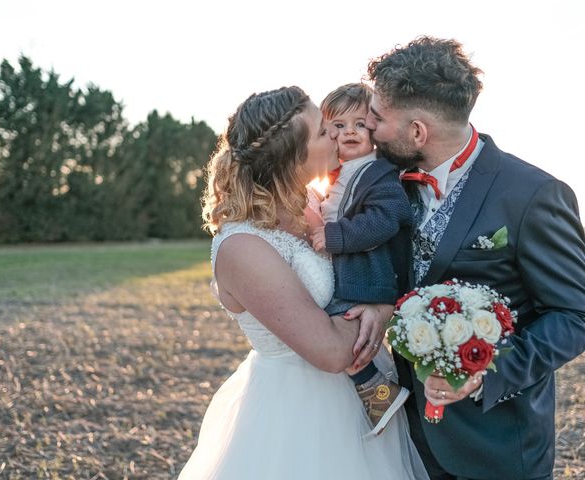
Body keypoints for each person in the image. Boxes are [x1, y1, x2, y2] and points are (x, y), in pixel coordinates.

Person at [177, 86, 428, 479]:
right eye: (321, 130)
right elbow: (330, 352)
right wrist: (382, 304)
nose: (334, 132)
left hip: (369, 399)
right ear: (291, 158)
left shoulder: (315, 206)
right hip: (299, 416)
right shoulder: (243, 245)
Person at [364, 36, 585, 480]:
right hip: (408, 439)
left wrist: (485, 372)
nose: (369, 127)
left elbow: (575, 314)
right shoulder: (386, 184)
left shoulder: (533, 195)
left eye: (378, 117)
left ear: (417, 131)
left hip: (497, 444)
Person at [305, 83, 412, 435]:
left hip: (367, 278)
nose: (349, 131)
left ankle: (380, 393)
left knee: (343, 335)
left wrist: (335, 236)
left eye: (359, 124)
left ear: (374, 131)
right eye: (337, 126)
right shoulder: (336, 176)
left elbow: (386, 218)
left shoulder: (378, 173)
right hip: (347, 275)